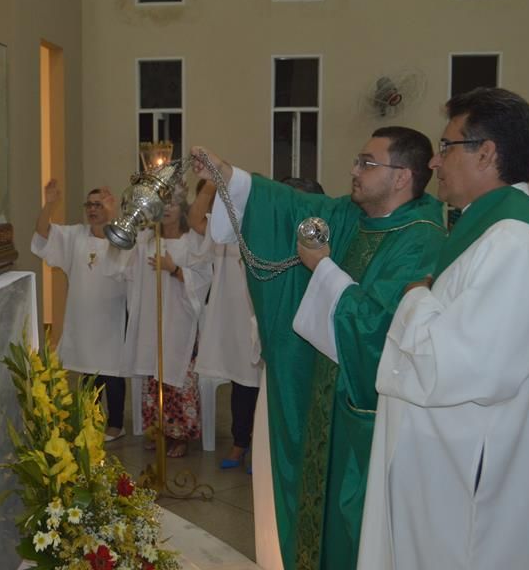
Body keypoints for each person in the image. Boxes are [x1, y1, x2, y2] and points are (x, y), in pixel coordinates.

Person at [191, 126, 445, 570]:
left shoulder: (421, 239)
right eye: (357, 160)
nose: (354, 170)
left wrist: (323, 267)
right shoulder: (350, 216)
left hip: (370, 420)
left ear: (402, 176)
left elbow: (377, 332)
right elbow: (289, 206)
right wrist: (229, 175)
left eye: (367, 163)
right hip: (325, 403)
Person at [358, 88, 529, 570]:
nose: (435, 162)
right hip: (444, 471)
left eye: (447, 146)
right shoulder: (485, 232)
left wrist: (414, 297)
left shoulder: (516, 242)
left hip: (466, 488)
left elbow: (463, 366)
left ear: (488, 154)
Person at [110, 184, 212, 458]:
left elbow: (203, 278)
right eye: (163, 204)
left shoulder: (192, 242)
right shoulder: (147, 240)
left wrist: (174, 269)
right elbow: (125, 270)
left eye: (174, 203)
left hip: (180, 321)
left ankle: (180, 436)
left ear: (182, 209)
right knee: (153, 375)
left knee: (178, 377)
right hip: (152, 320)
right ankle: (159, 431)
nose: (167, 209)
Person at [31, 179, 128, 441]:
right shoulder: (74, 236)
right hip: (82, 319)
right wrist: (49, 205)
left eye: (99, 204)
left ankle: (116, 424)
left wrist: (114, 216)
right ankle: (90, 420)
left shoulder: (120, 236)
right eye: (90, 204)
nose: (93, 209)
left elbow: (127, 264)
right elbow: (42, 235)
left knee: (112, 372)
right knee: (88, 371)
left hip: (111, 317)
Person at [188, 179, 264, 470]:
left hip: (259, 315)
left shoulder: (264, 229)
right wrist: (208, 186)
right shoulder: (223, 232)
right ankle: (239, 444)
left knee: (262, 385)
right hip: (233, 318)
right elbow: (194, 219)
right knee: (241, 381)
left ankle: (261, 447)